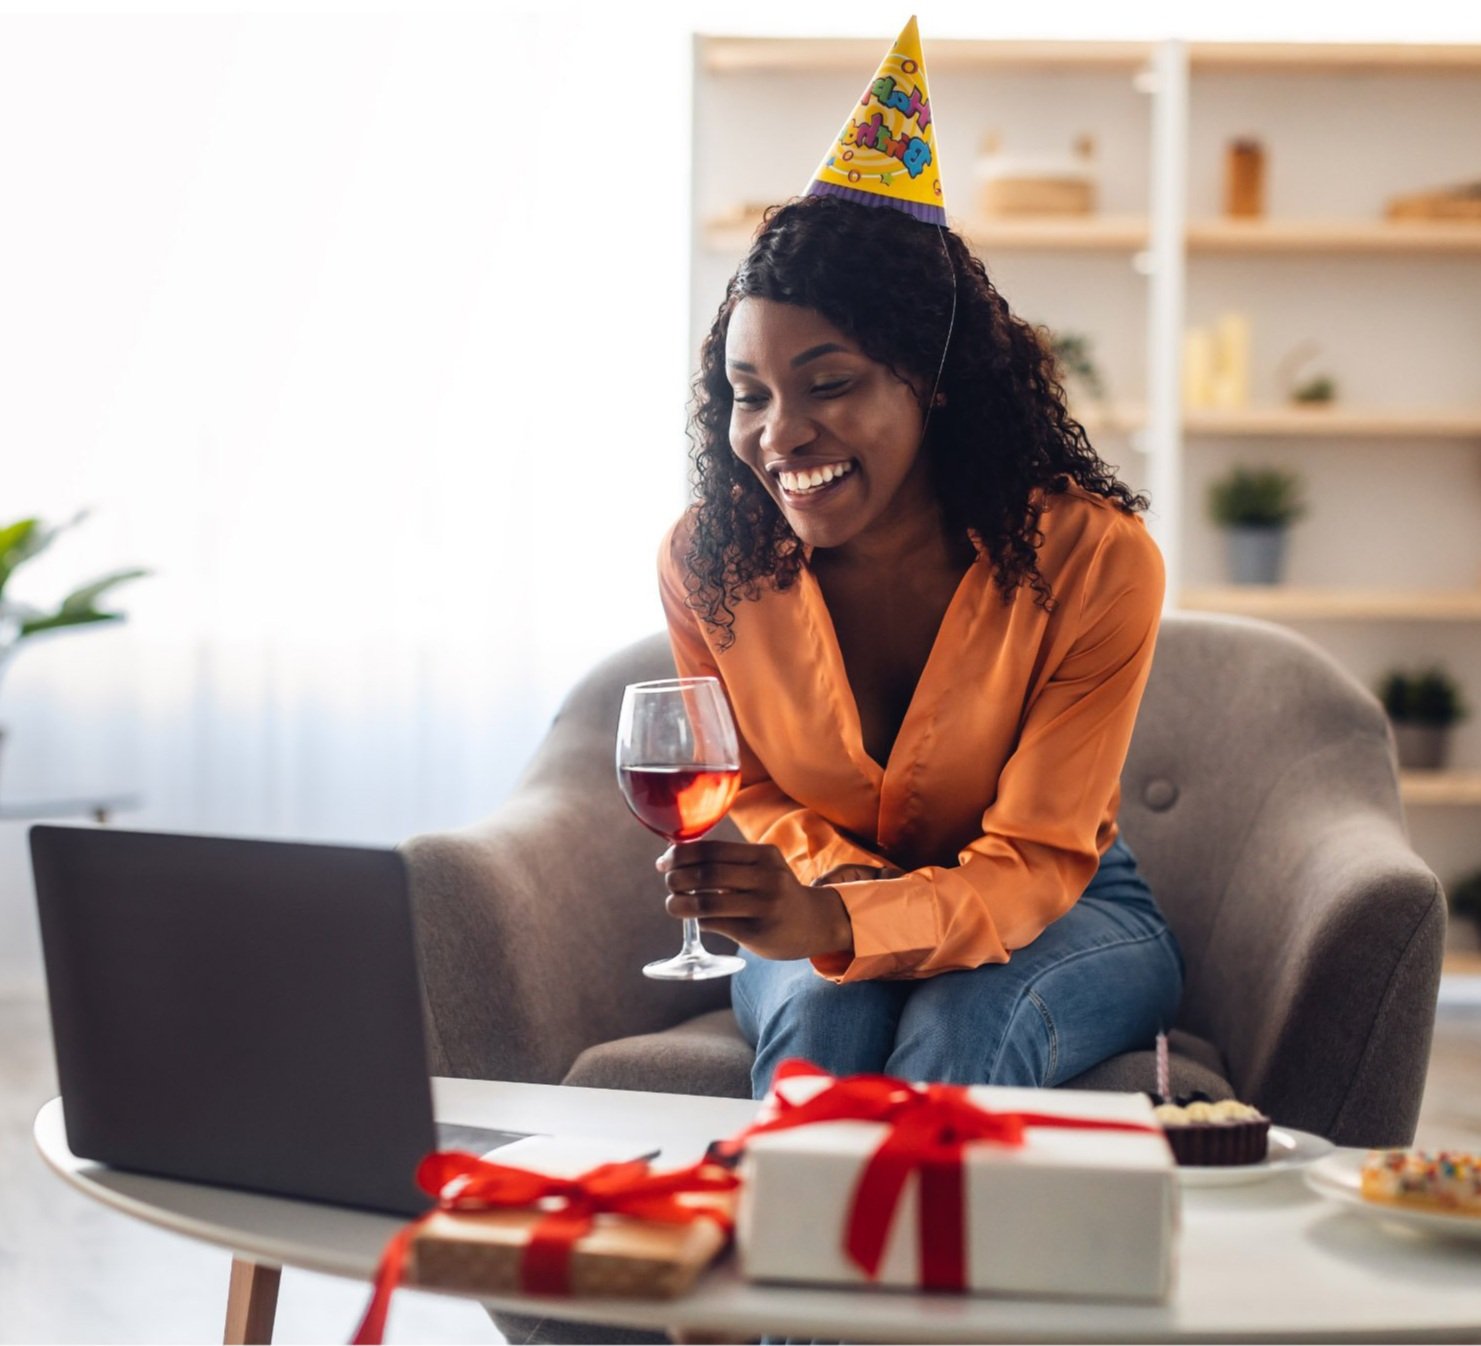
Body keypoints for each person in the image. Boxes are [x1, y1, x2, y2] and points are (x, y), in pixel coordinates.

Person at [654, 190, 1183, 1100]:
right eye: (749, 396)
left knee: (964, 1019)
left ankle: (930, 1248)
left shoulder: (1094, 559)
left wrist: (841, 915)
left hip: (1066, 900)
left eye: (829, 385)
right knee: (823, 1014)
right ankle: (785, 1240)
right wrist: (827, 901)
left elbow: (1038, 857)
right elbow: (744, 788)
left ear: (933, 378)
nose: (778, 435)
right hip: (815, 879)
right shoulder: (708, 560)